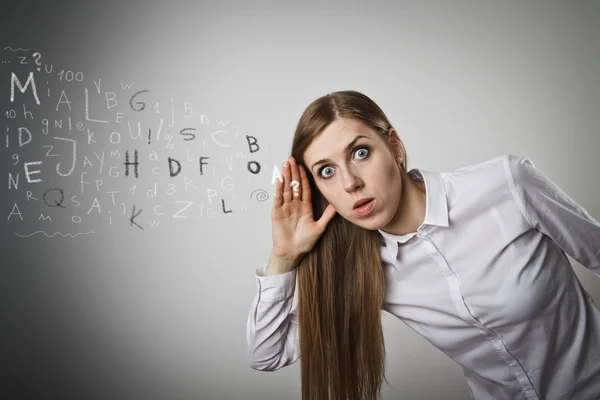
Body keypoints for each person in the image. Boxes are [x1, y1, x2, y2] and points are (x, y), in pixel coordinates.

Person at [245, 90, 600, 400]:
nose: (350, 183)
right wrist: (284, 257)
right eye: (326, 171)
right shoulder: (361, 268)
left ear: (394, 146)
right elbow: (267, 354)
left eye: (361, 152)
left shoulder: (506, 185)